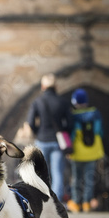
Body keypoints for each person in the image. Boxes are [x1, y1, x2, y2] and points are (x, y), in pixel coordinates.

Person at [27, 73, 72, 202]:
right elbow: (70, 123)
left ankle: (41, 200)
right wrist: (63, 132)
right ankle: (56, 202)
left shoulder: (37, 102)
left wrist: (38, 132)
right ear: (56, 86)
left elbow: (30, 122)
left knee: (40, 172)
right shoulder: (62, 102)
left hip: (42, 140)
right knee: (57, 172)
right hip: (57, 141)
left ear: (43, 86)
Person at [67, 88, 105, 213]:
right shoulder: (96, 113)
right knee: (89, 178)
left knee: (76, 178)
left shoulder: (73, 115)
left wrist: (69, 149)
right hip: (92, 151)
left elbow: (71, 134)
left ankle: (76, 203)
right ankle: (87, 203)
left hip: (77, 152)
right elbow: (99, 131)